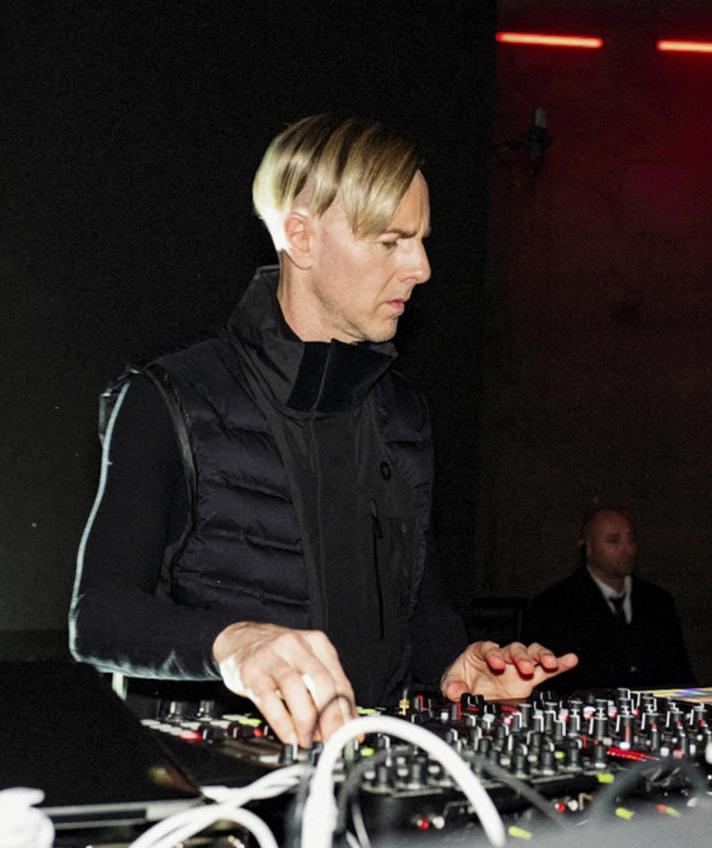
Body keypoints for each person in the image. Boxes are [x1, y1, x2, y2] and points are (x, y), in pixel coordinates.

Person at [69, 114, 577, 746]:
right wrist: (234, 643)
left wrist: (455, 662)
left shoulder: (404, 415)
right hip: (221, 806)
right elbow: (100, 619)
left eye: (420, 240)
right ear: (302, 239)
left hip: (370, 792)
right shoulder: (167, 399)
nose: (420, 267)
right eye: (392, 242)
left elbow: (418, 607)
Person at [523, 506, 694, 693]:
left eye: (631, 539)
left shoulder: (658, 602)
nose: (627, 550)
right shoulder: (554, 605)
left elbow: (681, 675)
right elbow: (552, 685)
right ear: (587, 547)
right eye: (614, 540)